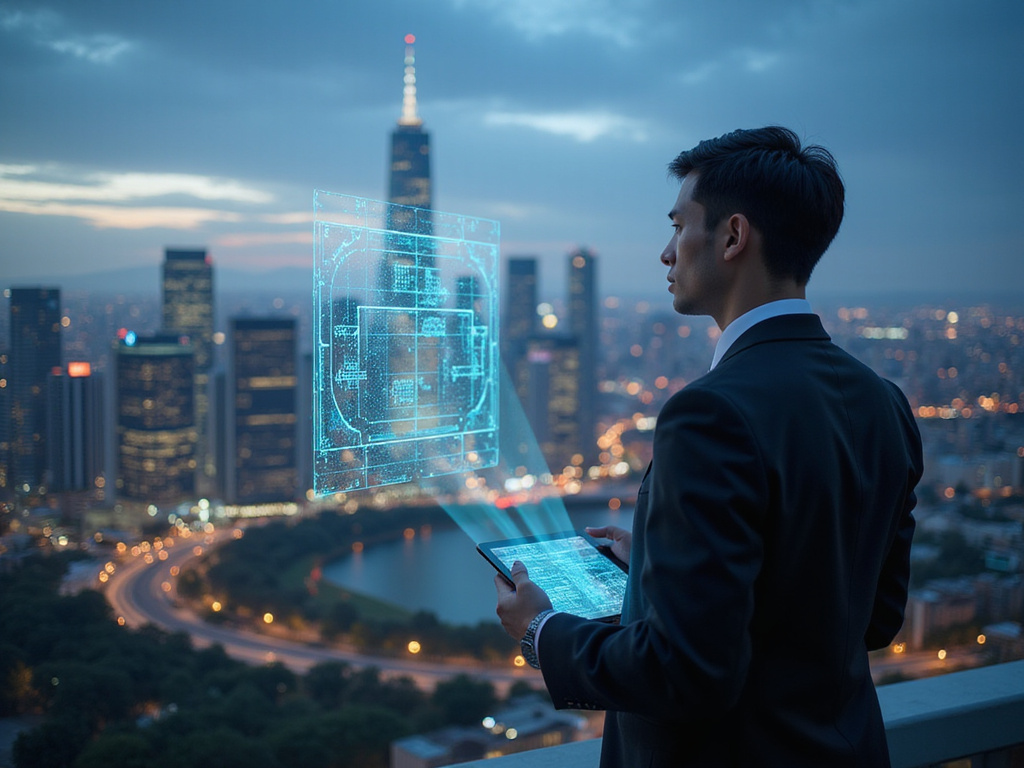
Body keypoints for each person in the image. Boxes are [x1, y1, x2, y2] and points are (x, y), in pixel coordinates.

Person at [494, 126, 923, 767]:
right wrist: (664, 567)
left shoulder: (710, 412)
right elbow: (873, 617)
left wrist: (542, 631)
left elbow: (685, 673)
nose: (667, 253)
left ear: (732, 237)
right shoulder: (882, 402)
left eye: (678, 226)